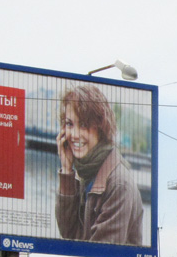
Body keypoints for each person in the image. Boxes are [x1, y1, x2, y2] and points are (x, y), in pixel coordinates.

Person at [55, 84, 142, 245]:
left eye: (83, 125)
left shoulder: (118, 184)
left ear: (101, 127)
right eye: (69, 124)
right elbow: (69, 234)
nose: (74, 135)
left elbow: (101, 253)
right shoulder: (89, 171)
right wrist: (67, 171)